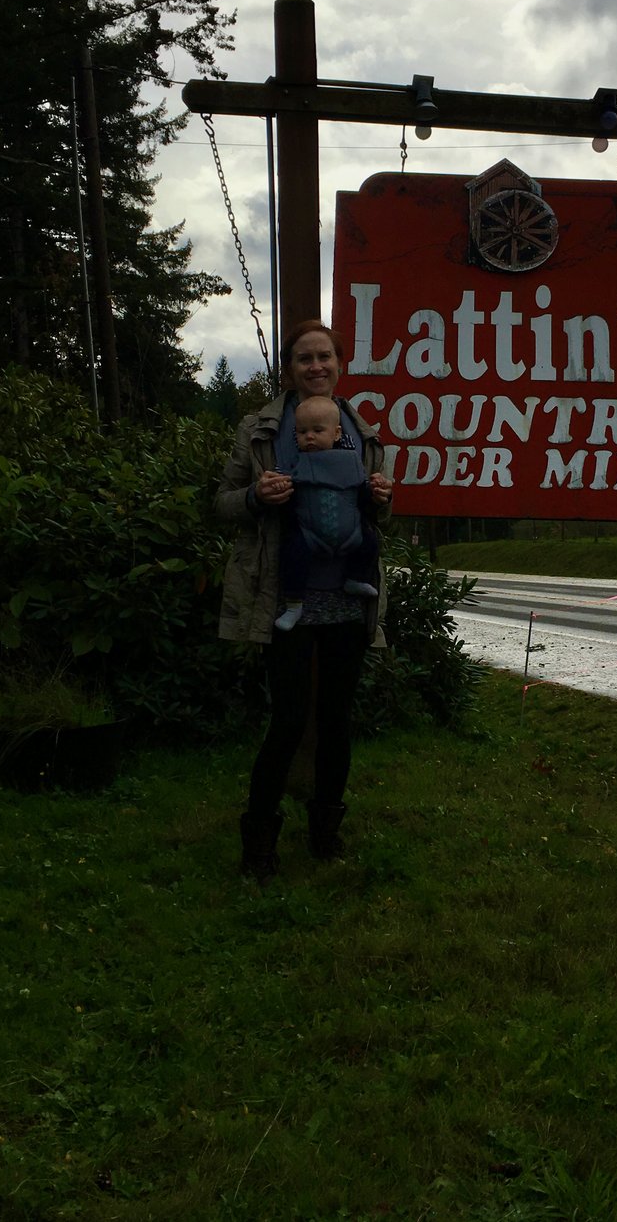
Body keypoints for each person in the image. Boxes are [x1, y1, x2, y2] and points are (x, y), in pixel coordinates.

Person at [213, 319, 393, 883]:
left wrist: (383, 498)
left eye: (325, 357)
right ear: (288, 369)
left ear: (339, 365)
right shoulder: (260, 429)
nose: (315, 367)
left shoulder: (361, 431)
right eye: (303, 359)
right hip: (284, 599)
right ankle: (259, 841)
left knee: (337, 721)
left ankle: (325, 833)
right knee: (288, 721)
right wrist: (254, 495)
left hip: (347, 599)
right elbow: (220, 504)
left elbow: (374, 515)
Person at [274, 395, 379, 632]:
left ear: (337, 433)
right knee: (292, 552)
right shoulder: (298, 463)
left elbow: (365, 499)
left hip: (351, 533)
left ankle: (356, 577)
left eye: (317, 430)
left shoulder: (353, 460)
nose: (309, 436)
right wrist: (277, 488)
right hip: (309, 534)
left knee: (370, 541)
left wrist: (376, 492)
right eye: (302, 432)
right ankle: (294, 604)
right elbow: (287, 494)